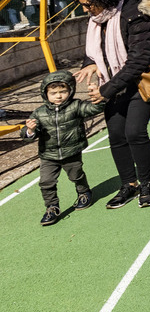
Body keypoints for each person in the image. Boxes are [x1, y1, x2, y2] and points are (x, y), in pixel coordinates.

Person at [74, 0, 150, 210]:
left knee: (134, 132)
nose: (85, 10)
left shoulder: (135, 16)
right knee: (116, 135)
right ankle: (129, 184)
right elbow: (94, 51)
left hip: (140, 82)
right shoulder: (97, 18)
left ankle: (147, 183)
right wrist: (90, 65)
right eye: (82, 4)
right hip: (113, 83)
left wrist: (106, 90)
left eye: (88, 4)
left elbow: (138, 62)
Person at [21, 71, 106, 225]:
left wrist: (97, 97)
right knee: (46, 182)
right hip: (48, 155)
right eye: (53, 93)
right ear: (45, 93)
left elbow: (94, 109)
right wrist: (30, 130)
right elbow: (26, 134)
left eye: (63, 92)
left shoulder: (76, 106)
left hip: (71, 152)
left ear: (71, 91)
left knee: (76, 175)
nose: (58, 96)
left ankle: (84, 192)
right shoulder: (39, 113)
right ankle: (52, 207)